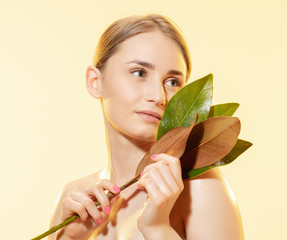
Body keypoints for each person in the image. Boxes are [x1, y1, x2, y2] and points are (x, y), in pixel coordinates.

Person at [49, 14, 244, 240]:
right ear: (95, 82)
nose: (158, 96)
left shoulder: (200, 188)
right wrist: (72, 238)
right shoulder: (74, 199)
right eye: (139, 73)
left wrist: (158, 228)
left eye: (172, 82)